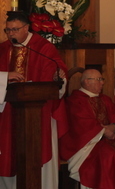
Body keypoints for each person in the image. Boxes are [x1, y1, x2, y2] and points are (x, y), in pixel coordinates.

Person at [0, 11, 68, 189]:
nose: (10, 34)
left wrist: (57, 76)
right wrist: (6, 76)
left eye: (14, 30)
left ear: (26, 28)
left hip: (39, 114)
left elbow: (58, 70)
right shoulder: (2, 49)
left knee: (37, 155)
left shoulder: (43, 48)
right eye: (7, 30)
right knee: (8, 153)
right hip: (6, 113)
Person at [59, 69, 115, 189]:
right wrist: (103, 131)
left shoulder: (105, 99)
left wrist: (113, 126)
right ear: (87, 82)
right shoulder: (75, 101)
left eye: (102, 79)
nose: (102, 83)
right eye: (99, 80)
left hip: (107, 138)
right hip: (87, 145)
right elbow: (81, 124)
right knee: (109, 154)